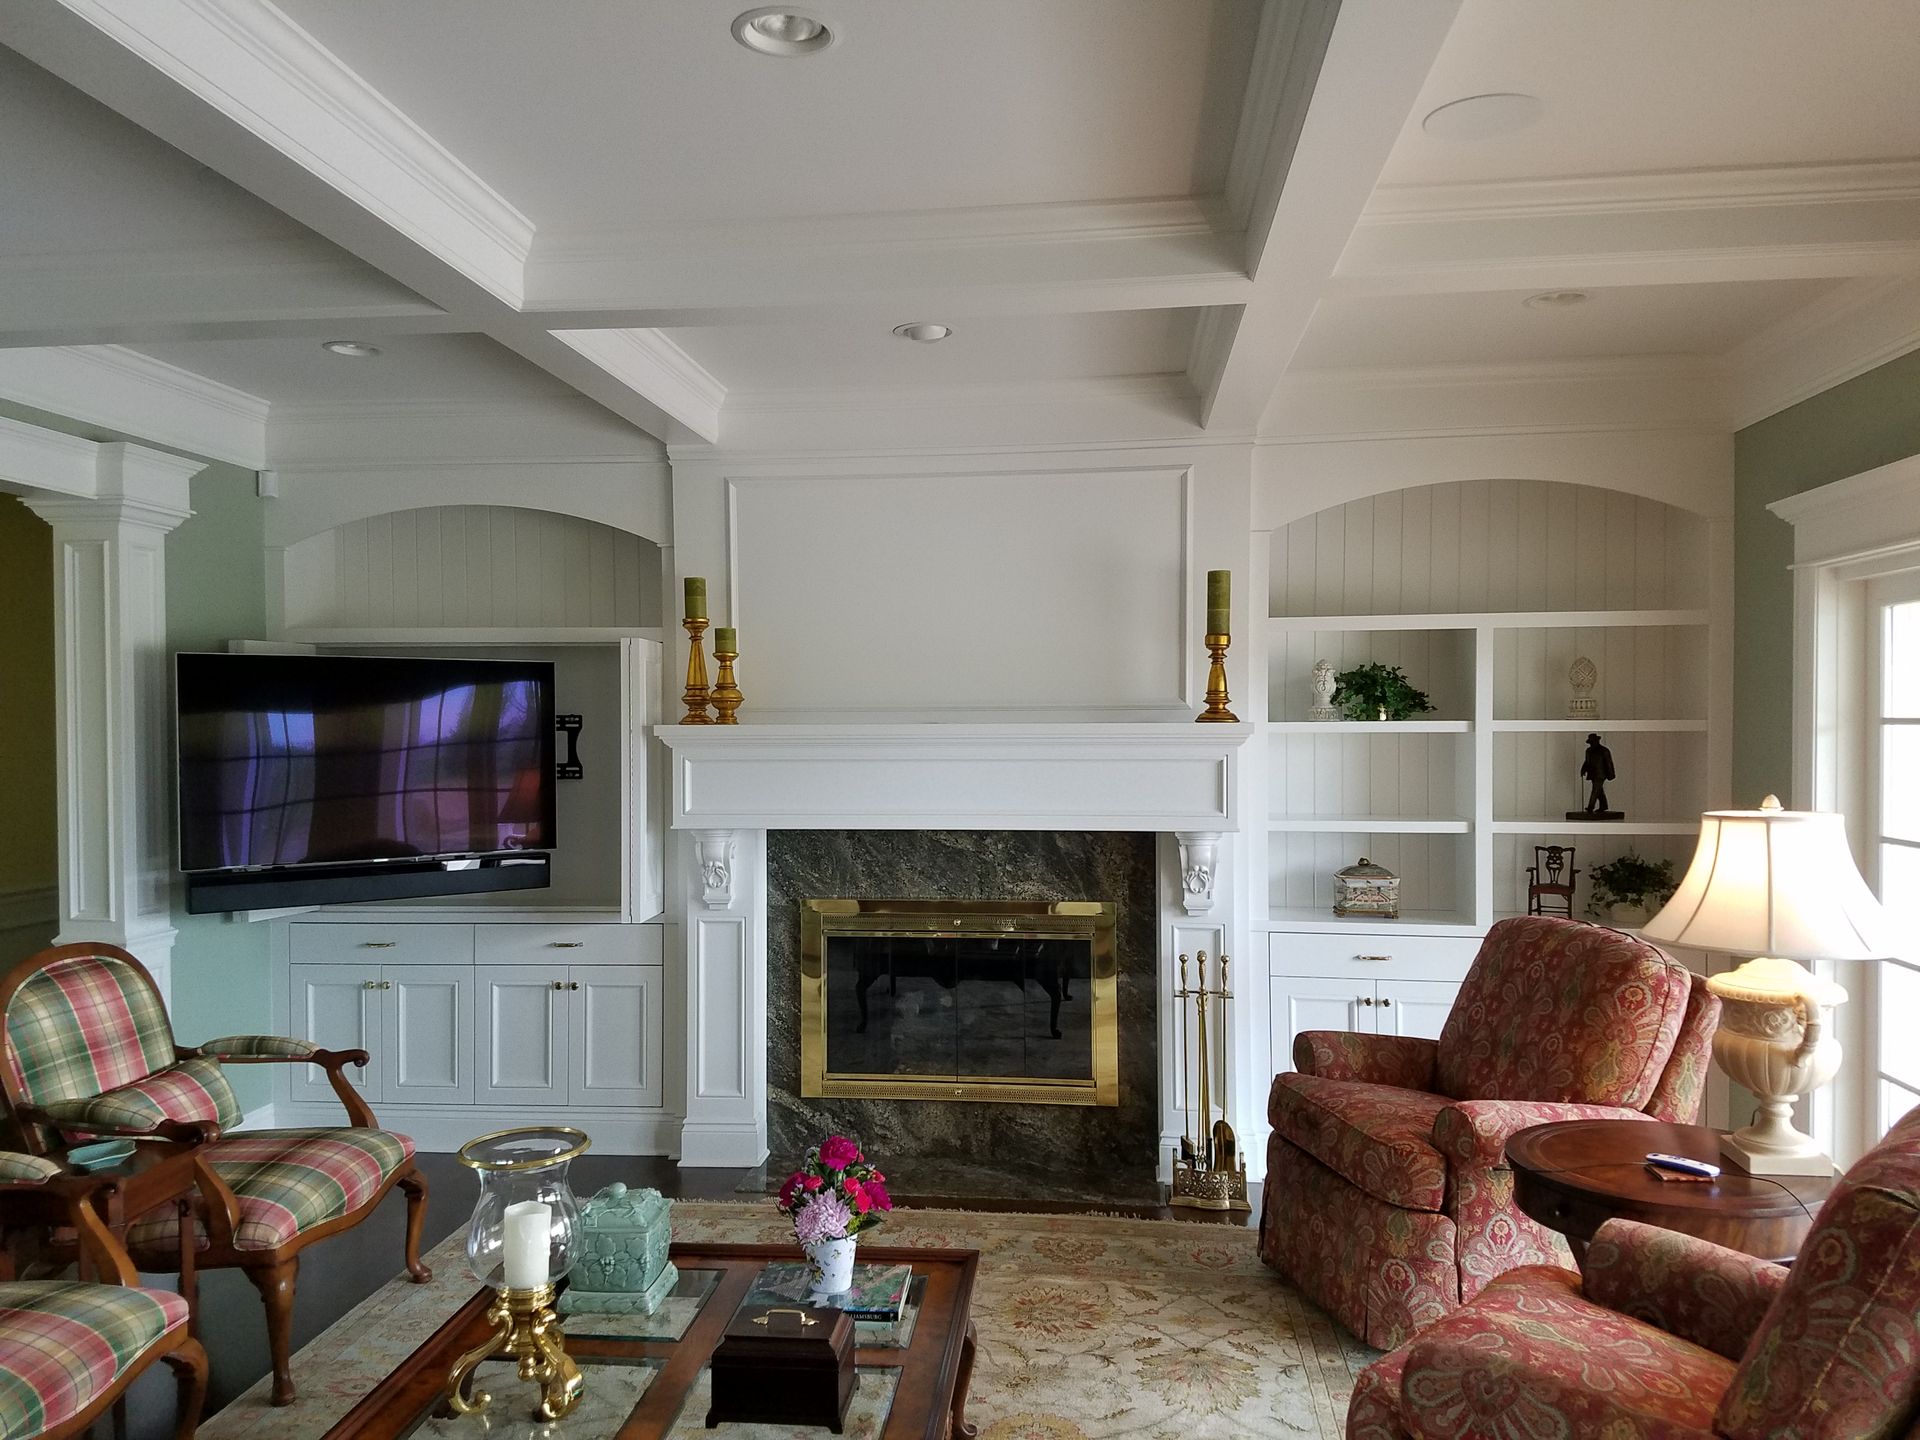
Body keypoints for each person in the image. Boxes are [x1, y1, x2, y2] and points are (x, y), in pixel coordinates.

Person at [1580, 733, 1616, 814]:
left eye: (1593, 741)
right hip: (1592, 773)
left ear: (1597, 741)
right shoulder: (1588, 751)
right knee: (1599, 790)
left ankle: (1590, 807)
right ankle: (1603, 806)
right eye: (1591, 742)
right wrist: (1583, 769)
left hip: (1601, 774)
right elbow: (1587, 761)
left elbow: (1609, 763)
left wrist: (1611, 774)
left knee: (1595, 790)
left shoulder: (1604, 750)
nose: (1592, 743)